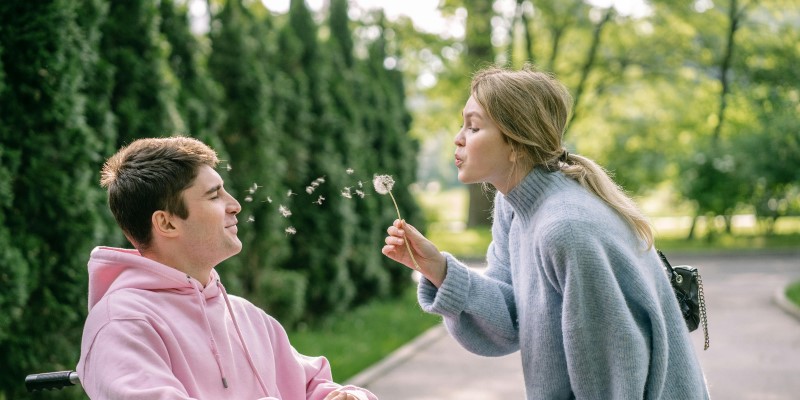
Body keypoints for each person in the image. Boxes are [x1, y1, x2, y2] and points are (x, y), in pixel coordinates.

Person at [382, 66, 710, 399]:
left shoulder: (566, 229)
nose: (458, 137)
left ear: (516, 144)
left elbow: (615, 371)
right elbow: (511, 318)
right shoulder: (515, 206)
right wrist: (439, 270)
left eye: (474, 126)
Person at [77, 137, 375, 400]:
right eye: (213, 195)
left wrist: (346, 397)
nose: (234, 205)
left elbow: (310, 386)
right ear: (166, 223)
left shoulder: (248, 316)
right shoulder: (122, 324)